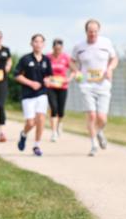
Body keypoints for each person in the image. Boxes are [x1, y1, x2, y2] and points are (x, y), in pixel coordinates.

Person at [70, 20, 118, 157]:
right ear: (86, 32)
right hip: (86, 85)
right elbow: (71, 62)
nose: (93, 34)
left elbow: (114, 59)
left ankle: (99, 132)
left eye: (95, 31)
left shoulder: (106, 43)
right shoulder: (79, 46)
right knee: (91, 115)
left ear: (99, 31)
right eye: (90, 31)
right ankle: (93, 145)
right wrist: (77, 71)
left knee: (102, 118)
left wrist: (109, 69)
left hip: (103, 84)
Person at [14, 34, 53, 157]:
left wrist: (48, 80)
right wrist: (31, 83)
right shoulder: (25, 59)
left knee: (41, 119)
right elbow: (17, 75)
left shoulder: (46, 60)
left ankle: (36, 145)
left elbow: (49, 76)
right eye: (35, 41)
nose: (38, 44)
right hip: (28, 95)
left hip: (42, 94)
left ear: (43, 44)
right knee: (31, 123)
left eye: (40, 42)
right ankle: (24, 134)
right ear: (31, 44)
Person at [46, 38, 72, 141]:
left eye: (60, 49)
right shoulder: (47, 57)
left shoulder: (66, 57)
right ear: (53, 48)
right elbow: (43, 70)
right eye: (56, 49)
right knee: (54, 108)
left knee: (61, 111)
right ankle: (53, 133)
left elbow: (74, 70)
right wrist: (46, 79)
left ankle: (59, 123)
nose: (58, 51)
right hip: (51, 87)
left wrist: (69, 79)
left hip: (63, 87)